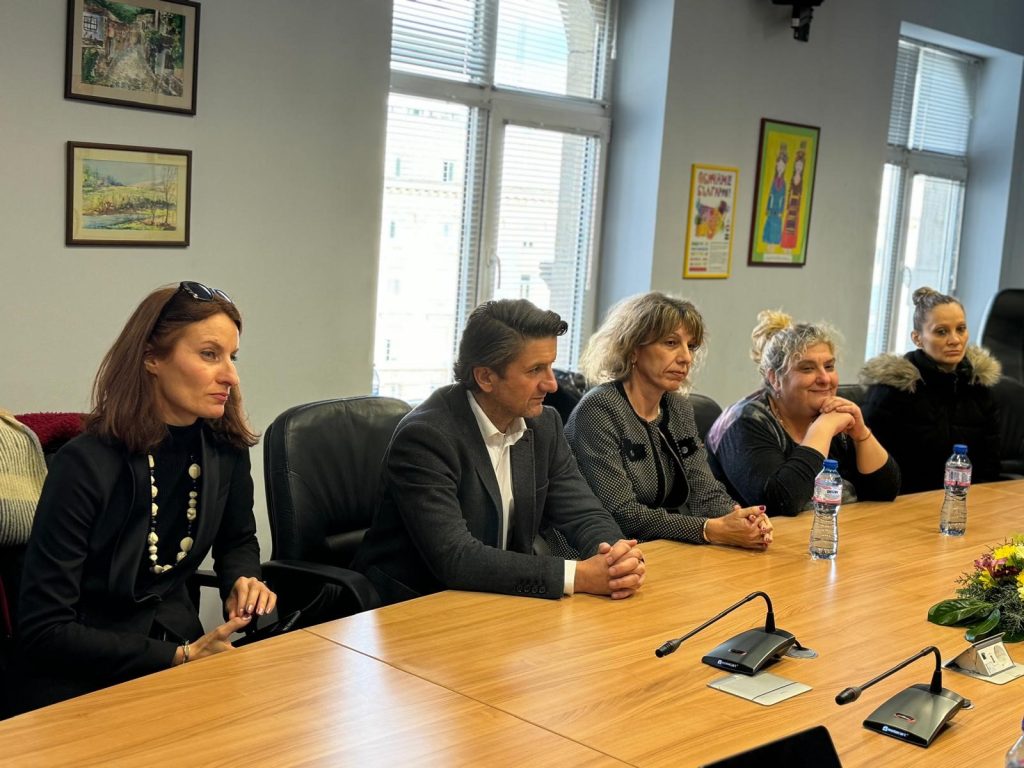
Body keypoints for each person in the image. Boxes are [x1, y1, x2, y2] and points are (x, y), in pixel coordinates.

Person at [15, 282, 276, 712]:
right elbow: (44, 629)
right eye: (209, 354)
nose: (231, 375)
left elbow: (238, 540)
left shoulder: (223, 447)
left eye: (232, 357)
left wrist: (243, 579)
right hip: (81, 674)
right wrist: (179, 656)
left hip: (178, 650)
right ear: (152, 357)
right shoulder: (84, 463)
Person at [353, 299, 646, 606]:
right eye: (535, 370)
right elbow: (456, 557)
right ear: (486, 377)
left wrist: (616, 557)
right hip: (416, 604)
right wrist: (579, 576)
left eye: (550, 365)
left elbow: (582, 512)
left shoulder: (544, 425)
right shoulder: (426, 438)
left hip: (500, 596)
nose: (551, 384)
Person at [559, 292, 772, 551]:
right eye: (671, 343)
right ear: (633, 349)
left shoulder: (678, 407)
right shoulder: (598, 410)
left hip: (661, 546)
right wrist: (708, 529)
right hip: (598, 554)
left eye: (691, 346)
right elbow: (621, 512)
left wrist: (741, 518)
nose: (686, 358)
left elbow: (703, 489)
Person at [706, 310, 899, 516]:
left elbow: (886, 491)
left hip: (837, 529)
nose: (825, 379)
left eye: (829, 366)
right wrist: (823, 429)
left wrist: (861, 434)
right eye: (807, 369)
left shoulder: (834, 410)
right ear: (774, 378)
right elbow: (781, 503)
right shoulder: (744, 421)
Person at [859, 287, 1002, 494]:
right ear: (917, 338)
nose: (955, 340)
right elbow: (872, 469)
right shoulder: (892, 390)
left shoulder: (978, 386)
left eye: (961, 329)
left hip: (967, 501)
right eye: (941, 332)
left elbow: (990, 466)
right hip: (904, 501)